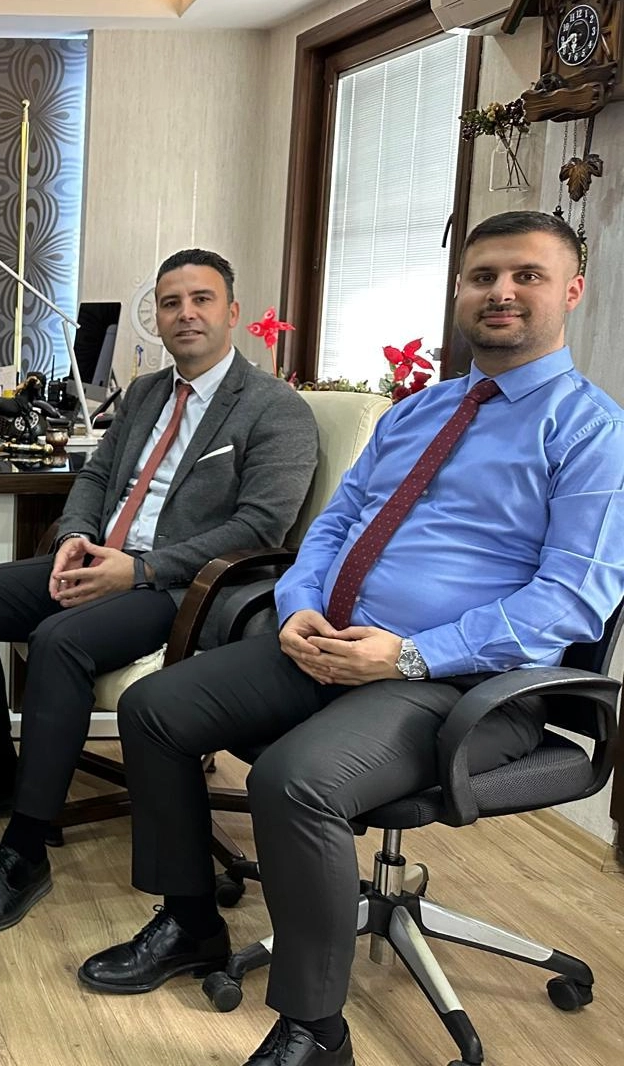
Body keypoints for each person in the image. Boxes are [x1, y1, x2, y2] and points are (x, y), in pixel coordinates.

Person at [80, 211, 624, 1066]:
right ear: (460, 290)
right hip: (331, 643)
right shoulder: (418, 412)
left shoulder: (591, 432)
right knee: (154, 710)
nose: (501, 292)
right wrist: (300, 605)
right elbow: (333, 527)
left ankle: (316, 1030)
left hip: (462, 682)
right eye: (483, 276)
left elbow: (573, 601)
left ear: (572, 292)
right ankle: (189, 922)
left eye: (528, 276)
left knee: (296, 781)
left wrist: (408, 654)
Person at [0, 248, 320, 939]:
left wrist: (140, 571)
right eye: (171, 303)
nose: (185, 314)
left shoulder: (276, 409)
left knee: (59, 641)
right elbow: (94, 475)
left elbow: (260, 528)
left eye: (201, 300)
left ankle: (25, 851)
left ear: (233, 313)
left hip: (182, 586)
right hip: (103, 558)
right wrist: (73, 538)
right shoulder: (145, 392)